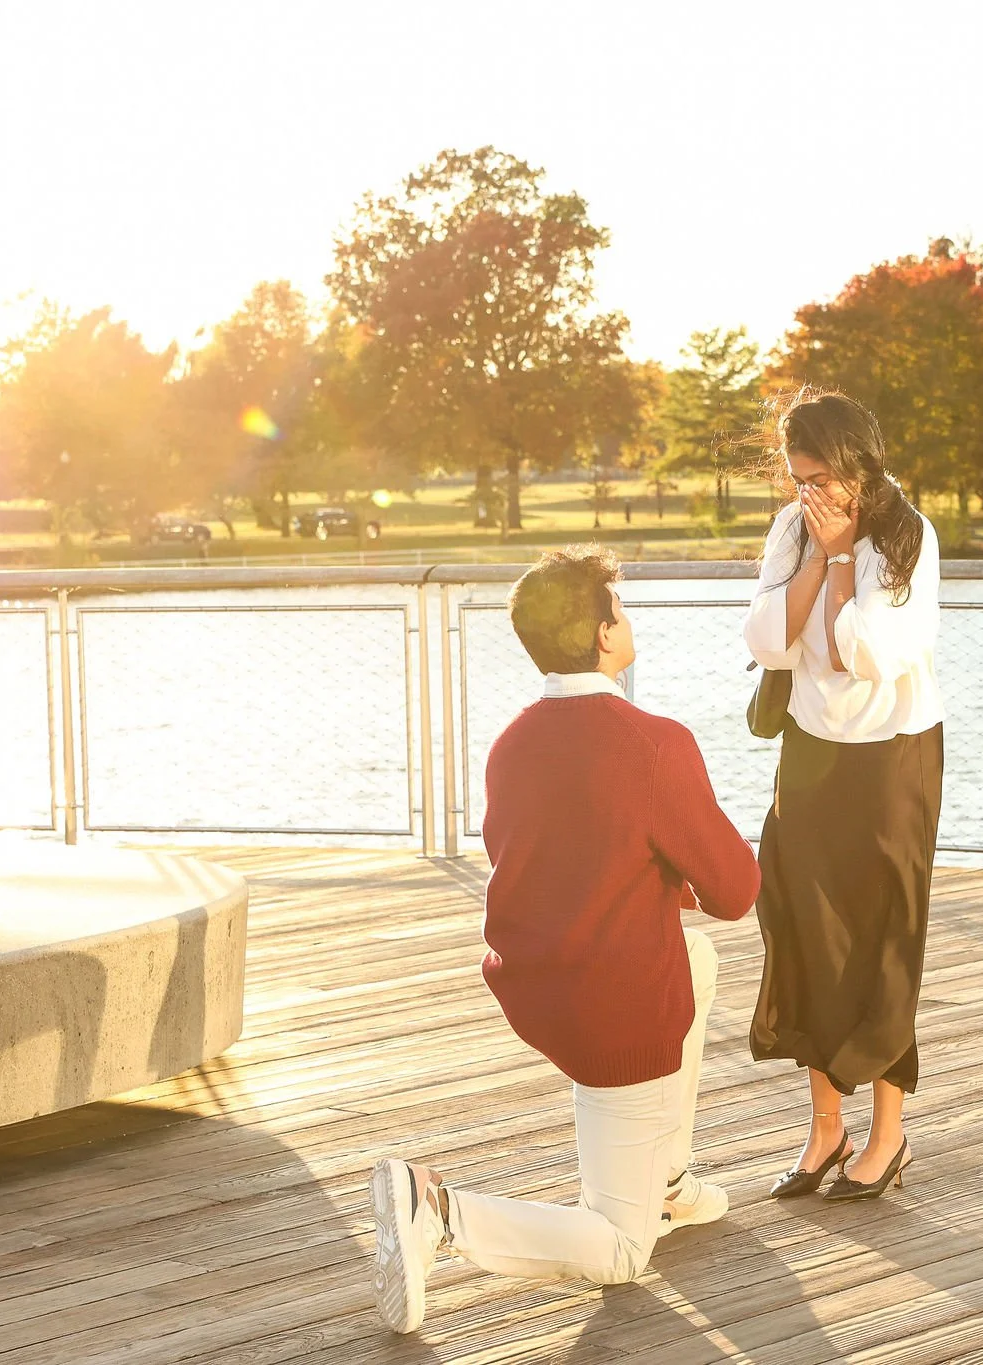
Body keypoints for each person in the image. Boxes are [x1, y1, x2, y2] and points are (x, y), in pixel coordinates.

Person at [370, 546, 761, 1334]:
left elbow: (542, 857)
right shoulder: (654, 742)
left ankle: (669, 1178)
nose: (628, 616)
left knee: (697, 960)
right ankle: (441, 1211)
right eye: (620, 605)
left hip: (544, 985)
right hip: (617, 1007)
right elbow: (736, 890)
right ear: (605, 631)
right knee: (620, 1248)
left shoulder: (512, 741)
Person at [743, 388, 944, 1204]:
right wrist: (819, 557)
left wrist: (831, 569)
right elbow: (764, 637)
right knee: (803, 930)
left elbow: (864, 651)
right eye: (796, 479)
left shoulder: (908, 535)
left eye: (819, 476)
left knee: (881, 937)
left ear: (856, 463)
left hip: (892, 757)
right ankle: (827, 1126)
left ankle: (889, 1135)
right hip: (810, 753)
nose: (807, 494)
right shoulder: (794, 528)